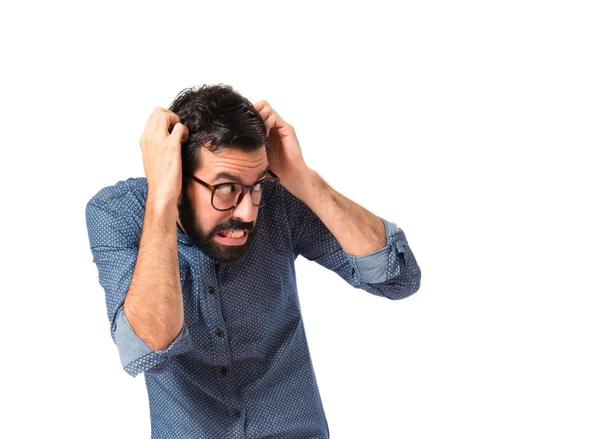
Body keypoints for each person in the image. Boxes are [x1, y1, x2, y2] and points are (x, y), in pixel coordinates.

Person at [85, 84, 421, 438]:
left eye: (255, 186)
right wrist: (161, 200)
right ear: (179, 177)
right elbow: (148, 345)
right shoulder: (118, 214)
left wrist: (301, 178)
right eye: (226, 189)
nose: (246, 212)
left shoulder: (278, 201)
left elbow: (397, 278)